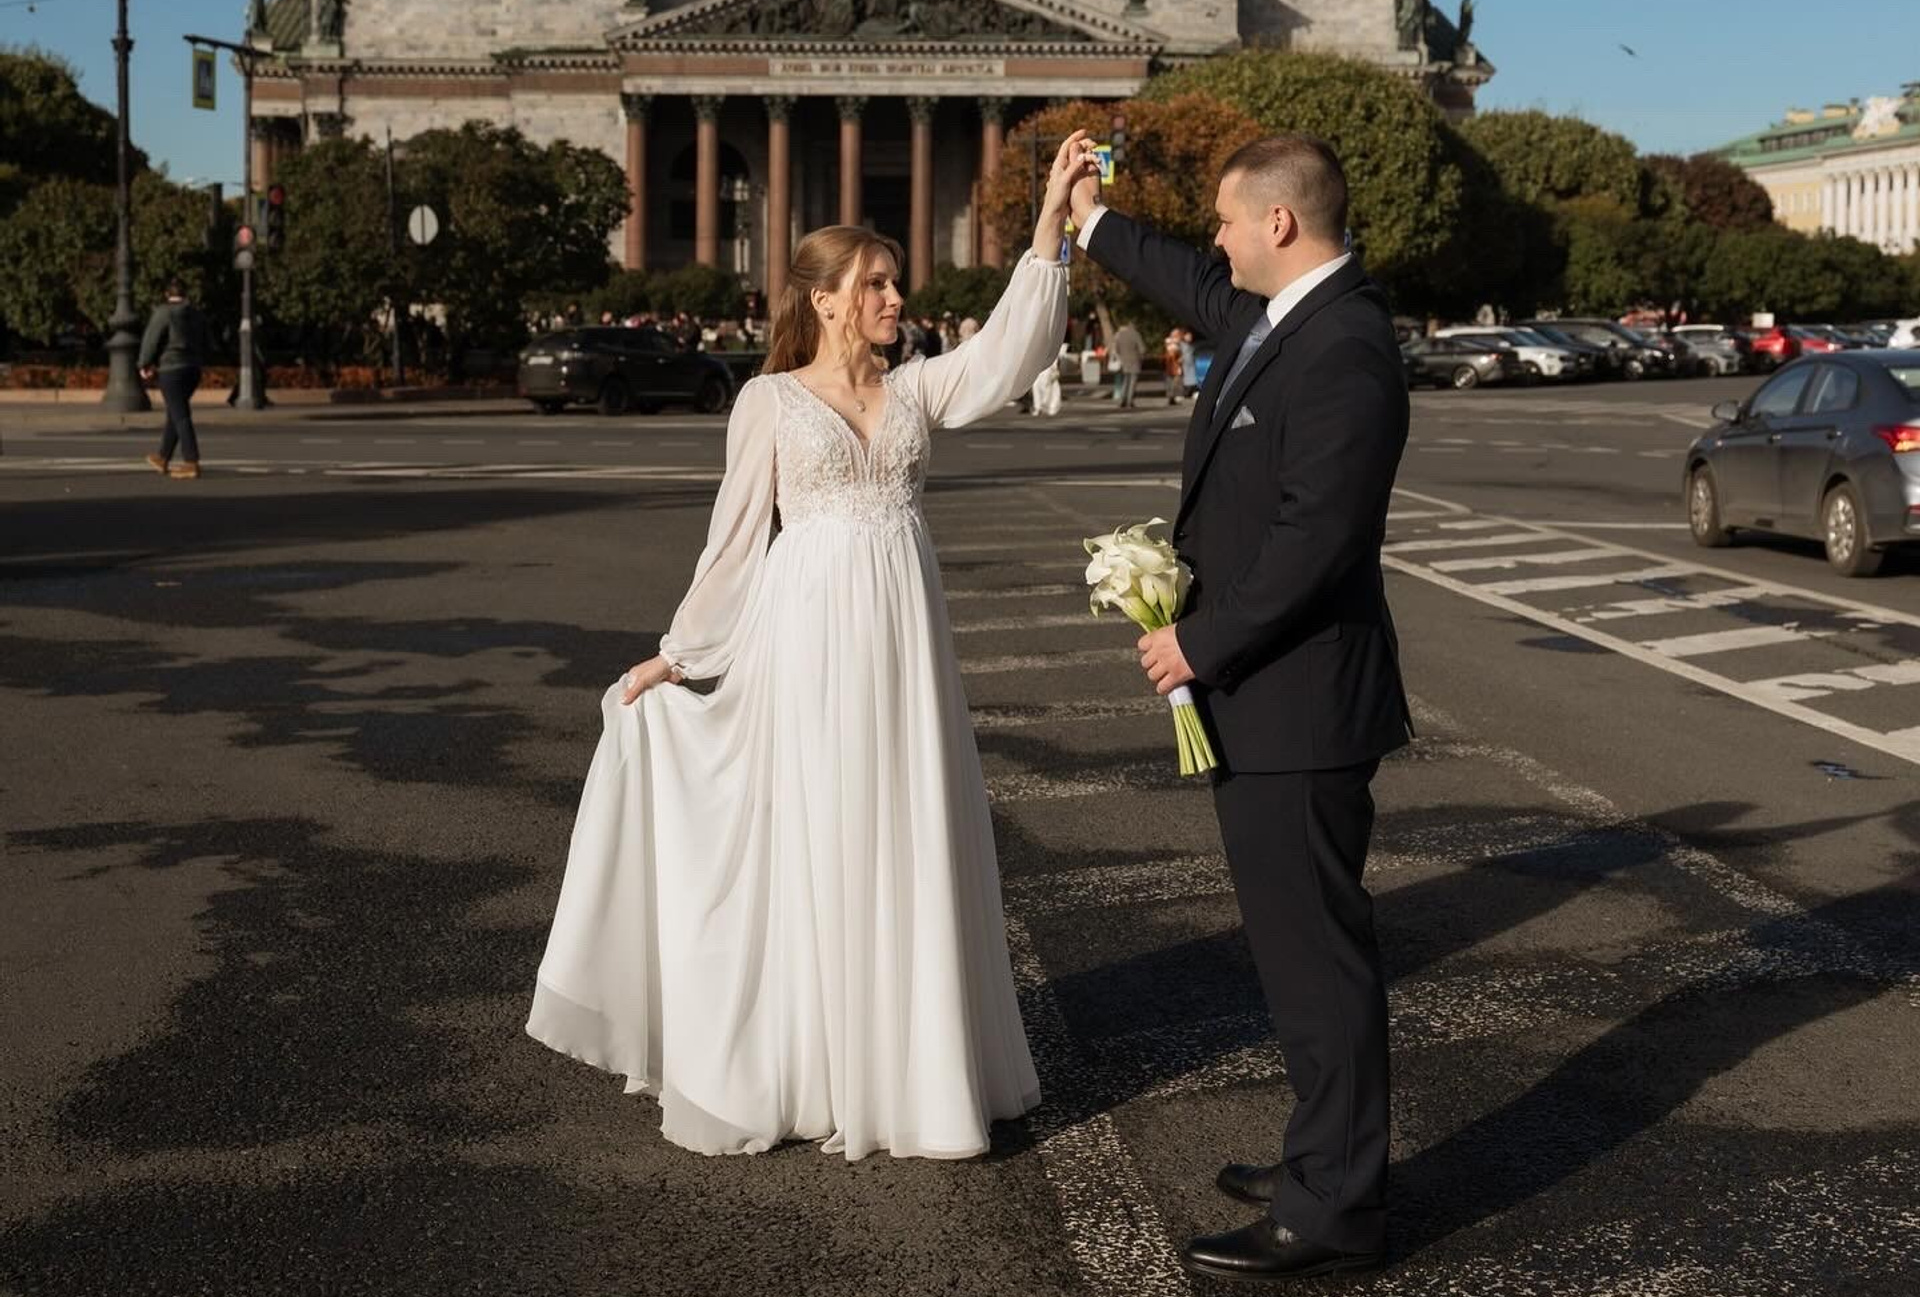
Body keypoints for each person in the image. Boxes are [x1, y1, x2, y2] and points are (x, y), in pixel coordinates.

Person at [528, 131, 1098, 1160]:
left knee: (908, 826)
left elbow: (1012, 351)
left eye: (893, 283)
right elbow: (736, 542)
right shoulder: (770, 402)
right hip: (811, 641)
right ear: (825, 299)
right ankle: (820, 1065)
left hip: (903, 638)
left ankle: (914, 1075)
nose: (893, 297)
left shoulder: (918, 385)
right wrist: (678, 655)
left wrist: (1053, 214)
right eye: (874, 284)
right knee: (822, 838)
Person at [1068, 132, 1411, 1281]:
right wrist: (1090, 218)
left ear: (1278, 224)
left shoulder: (1346, 345)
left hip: (1299, 703)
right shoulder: (1284, 318)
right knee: (1291, 954)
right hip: (1266, 702)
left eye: (1225, 218)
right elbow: (1190, 280)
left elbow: (1322, 531)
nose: (1213, 238)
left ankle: (1336, 1208)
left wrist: (1197, 642)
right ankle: (1324, 1157)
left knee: (1320, 963)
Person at [137, 278, 211, 480]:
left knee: (180, 415)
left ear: (166, 294)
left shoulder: (164, 312)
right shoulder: (196, 314)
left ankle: (191, 461)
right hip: (193, 369)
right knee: (175, 411)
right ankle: (163, 457)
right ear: (185, 294)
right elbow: (207, 341)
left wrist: (144, 364)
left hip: (171, 368)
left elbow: (151, 339)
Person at [1109, 319, 1146, 409]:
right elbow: (1142, 349)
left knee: (1125, 380)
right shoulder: (1135, 334)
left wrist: (1119, 357)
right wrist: (1141, 356)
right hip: (1134, 360)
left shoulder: (1119, 334)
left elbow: (1115, 348)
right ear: (1134, 326)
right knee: (1133, 381)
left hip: (1123, 360)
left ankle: (1123, 400)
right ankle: (1130, 401)